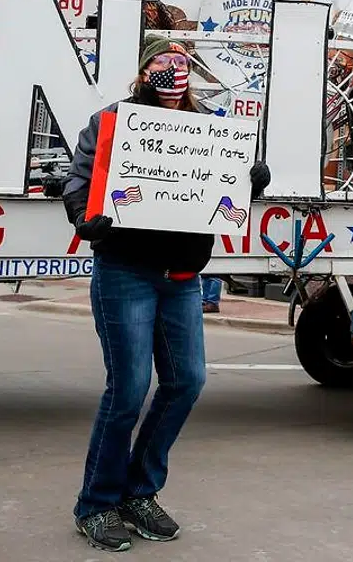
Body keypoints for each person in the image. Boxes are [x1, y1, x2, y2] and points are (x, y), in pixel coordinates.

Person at [61, 36, 271, 552]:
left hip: (181, 277)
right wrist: (86, 219)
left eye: (183, 63)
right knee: (129, 388)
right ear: (143, 70)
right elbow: (79, 181)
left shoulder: (210, 129)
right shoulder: (113, 122)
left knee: (186, 382)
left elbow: (222, 192)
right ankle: (97, 503)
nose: (175, 71)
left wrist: (252, 183)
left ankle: (139, 491)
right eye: (163, 61)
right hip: (126, 270)